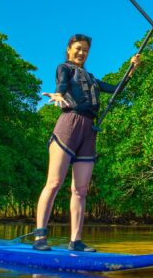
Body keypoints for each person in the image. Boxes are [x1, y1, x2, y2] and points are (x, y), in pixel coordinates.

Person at [35, 33, 140, 251]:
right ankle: (40, 238)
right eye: (78, 48)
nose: (82, 53)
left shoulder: (91, 77)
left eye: (85, 50)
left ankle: (76, 241)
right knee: (54, 183)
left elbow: (116, 89)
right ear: (69, 49)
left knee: (81, 189)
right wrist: (57, 94)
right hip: (69, 125)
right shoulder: (64, 68)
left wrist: (131, 69)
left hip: (89, 130)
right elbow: (62, 84)